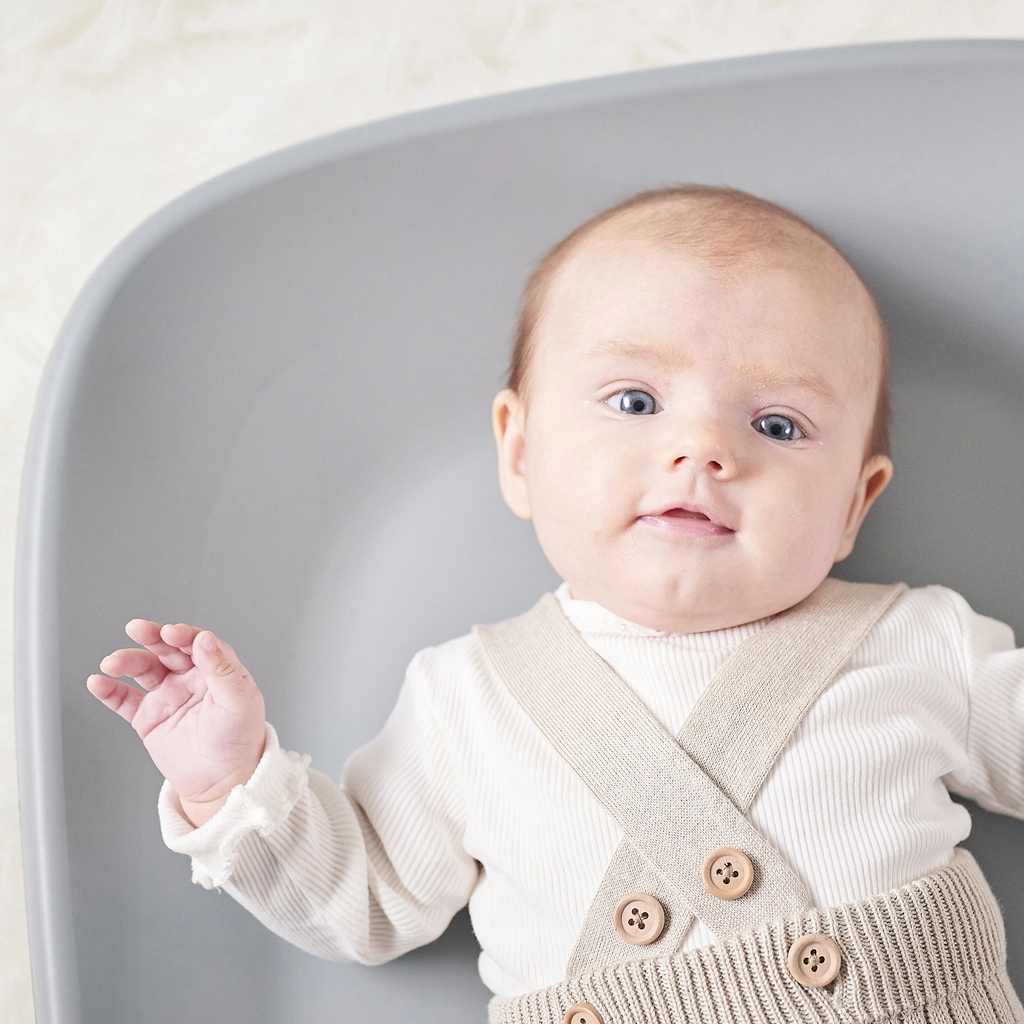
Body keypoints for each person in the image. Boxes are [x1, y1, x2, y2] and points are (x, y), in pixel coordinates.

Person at [86, 186, 1024, 1024]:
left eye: (777, 424)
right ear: (521, 451)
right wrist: (230, 784)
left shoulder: (921, 642)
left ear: (855, 503)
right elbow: (365, 902)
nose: (701, 448)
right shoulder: (467, 698)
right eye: (635, 402)